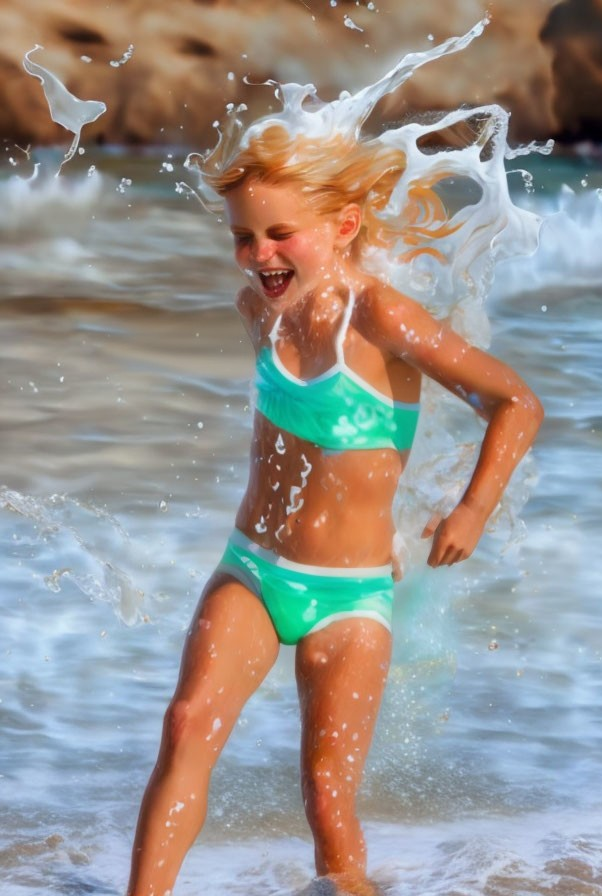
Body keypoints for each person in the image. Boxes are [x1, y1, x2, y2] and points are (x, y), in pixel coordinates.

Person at [126, 114, 543, 896]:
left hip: (349, 601)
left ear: (344, 225)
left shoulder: (383, 318)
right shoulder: (260, 310)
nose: (260, 257)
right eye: (244, 238)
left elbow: (516, 401)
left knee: (325, 795)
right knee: (185, 725)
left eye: (281, 234)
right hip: (252, 569)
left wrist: (472, 510)